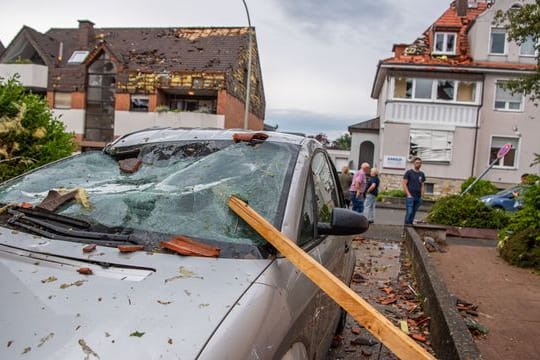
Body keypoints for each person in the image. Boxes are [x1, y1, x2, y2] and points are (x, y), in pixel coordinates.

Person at [403, 157, 425, 225]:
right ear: (414, 163)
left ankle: (410, 228)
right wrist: (408, 194)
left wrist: (422, 196)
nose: (419, 164)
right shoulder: (409, 173)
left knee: (413, 213)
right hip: (410, 197)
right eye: (417, 163)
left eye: (420, 163)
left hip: (418, 197)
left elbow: (422, 185)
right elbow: (404, 184)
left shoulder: (421, 174)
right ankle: (405, 228)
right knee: (409, 212)